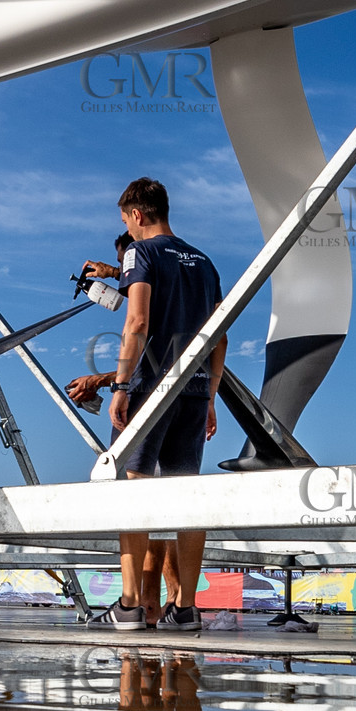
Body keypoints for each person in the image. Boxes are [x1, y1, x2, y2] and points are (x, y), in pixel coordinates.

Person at [87, 177, 224, 633]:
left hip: (149, 390)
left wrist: (121, 385)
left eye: (126, 220)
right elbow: (220, 336)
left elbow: (138, 320)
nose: (127, 227)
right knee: (187, 498)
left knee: (133, 492)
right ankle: (185, 608)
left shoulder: (139, 253)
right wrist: (210, 397)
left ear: (137, 215)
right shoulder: (205, 262)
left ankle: (129, 606)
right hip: (195, 391)